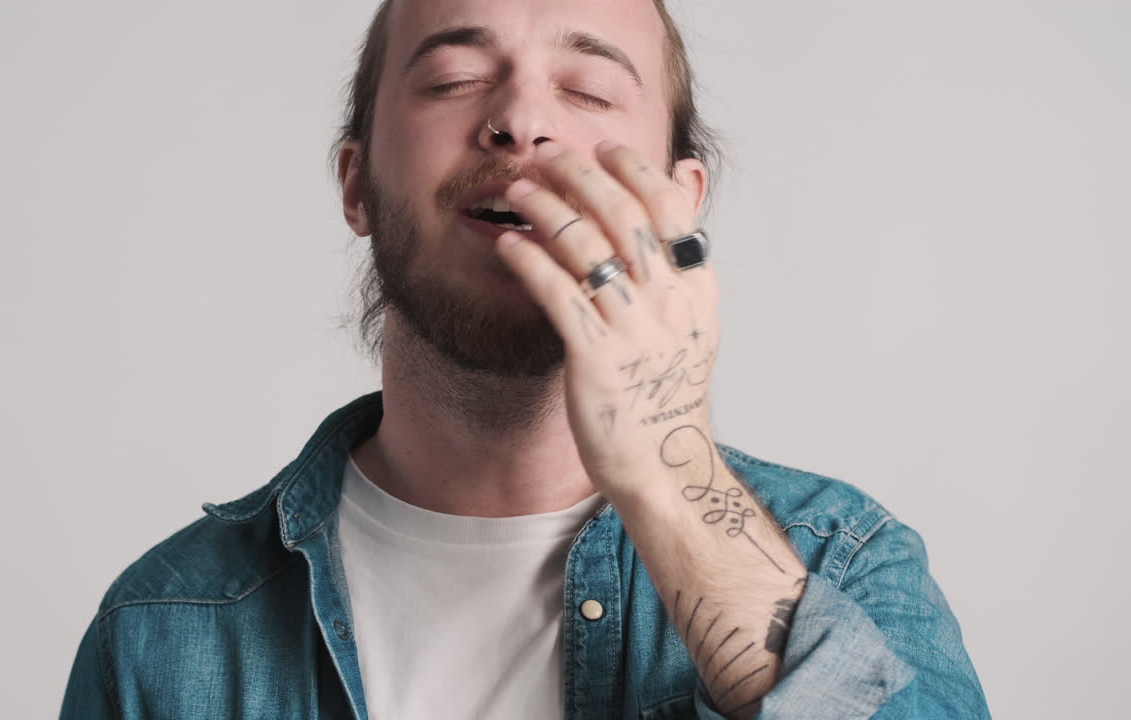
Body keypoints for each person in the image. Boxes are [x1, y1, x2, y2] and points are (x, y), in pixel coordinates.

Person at [60, 1, 990, 718]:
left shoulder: (845, 566)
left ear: (679, 202)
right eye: (456, 77)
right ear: (357, 184)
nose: (519, 121)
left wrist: (668, 471)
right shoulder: (164, 627)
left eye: (587, 90)